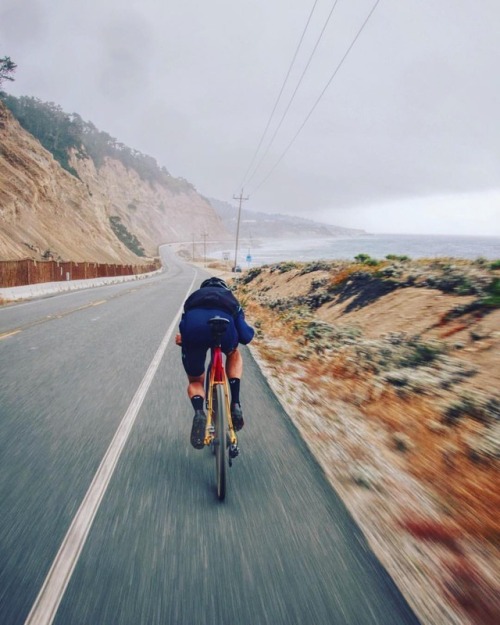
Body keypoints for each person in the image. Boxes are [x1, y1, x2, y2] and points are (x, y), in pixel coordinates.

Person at [175, 277, 255, 449]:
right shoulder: (231, 299)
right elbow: (246, 337)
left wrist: (184, 340)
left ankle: (199, 412)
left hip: (195, 331)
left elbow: (184, 327)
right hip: (224, 331)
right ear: (223, 288)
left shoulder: (193, 298)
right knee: (233, 352)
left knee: (196, 381)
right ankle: (235, 402)